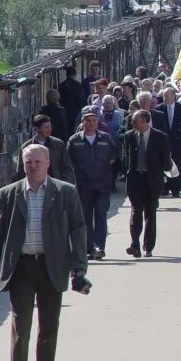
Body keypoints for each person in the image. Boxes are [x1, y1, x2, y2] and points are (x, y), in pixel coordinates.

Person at [0, 144, 88, 361]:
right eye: (28, 161)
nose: (32, 165)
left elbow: (78, 229)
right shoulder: (9, 194)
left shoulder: (65, 192)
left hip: (52, 264)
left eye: (37, 161)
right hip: (22, 266)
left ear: (48, 162)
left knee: (49, 324)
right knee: (21, 324)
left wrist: (79, 267)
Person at [67, 107, 117, 261]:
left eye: (94, 120)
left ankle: (99, 247)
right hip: (83, 186)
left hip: (102, 185)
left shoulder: (105, 138)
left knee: (101, 216)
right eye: (87, 120)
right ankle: (89, 247)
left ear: (98, 122)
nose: (90, 123)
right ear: (82, 122)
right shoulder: (74, 140)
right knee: (86, 217)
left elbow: (113, 158)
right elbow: (69, 162)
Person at [123, 110, 172, 258]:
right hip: (135, 178)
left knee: (150, 213)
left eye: (135, 121)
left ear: (145, 121)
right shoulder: (129, 136)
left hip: (152, 179)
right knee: (135, 211)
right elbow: (125, 155)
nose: (132, 123)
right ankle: (134, 244)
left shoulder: (160, 137)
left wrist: (159, 172)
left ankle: (148, 247)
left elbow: (166, 160)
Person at [15, 114, 75, 184]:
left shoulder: (58, 144)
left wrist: (65, 184)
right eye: (46, 127)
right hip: (34, 185)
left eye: (50, 127)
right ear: (37, 129)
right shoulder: (26, 147)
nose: (49, 129)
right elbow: (21, 171)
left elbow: (67, 166)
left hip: (55, 185)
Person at [153, 88, 181, 196]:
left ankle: (176, 189)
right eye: (164, 96)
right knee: (165, 165)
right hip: (164, 143)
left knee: (177, 166)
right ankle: (165, 188)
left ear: (174, 96)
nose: (165, 98)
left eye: (167, 95)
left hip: (178, 143)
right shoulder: (159, 109)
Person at [58, 66, 84, 136]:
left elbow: (59, 99)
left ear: (66, 74)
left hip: (64, 112)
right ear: (75, 74)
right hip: (75, 112)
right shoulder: (78, 85)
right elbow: (81, 100)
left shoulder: (61, 85)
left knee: (66, 130)